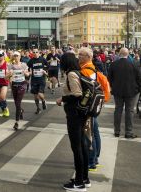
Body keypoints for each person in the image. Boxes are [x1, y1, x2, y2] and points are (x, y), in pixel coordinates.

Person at [56, 52, 90, 191]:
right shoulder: (79, 72)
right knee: (82, 145)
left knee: (77, 147)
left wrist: (62, 99)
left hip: (75, 114)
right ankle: (84, 178)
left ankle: (79, 182)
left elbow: (77, 94)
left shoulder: (71, 74)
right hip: (80, 114)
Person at [78, 47, 111, 172]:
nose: (79, 56)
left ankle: (92, 161)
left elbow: (89, 90)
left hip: (89, 106)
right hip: (94, 105)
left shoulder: (87, 71)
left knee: (89, 134)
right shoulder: (90, 68)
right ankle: (95, 158)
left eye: (81, 54)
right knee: (94, 131)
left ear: (88, 57)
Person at [108, 47, 141, 138]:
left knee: (118, 110)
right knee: (130, 111)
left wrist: (113, 86)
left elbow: (109, 78)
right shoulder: (134, 64)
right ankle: (129, 132)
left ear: (119, 54)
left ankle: (117, 131)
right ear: (128, 55)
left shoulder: (114, 64)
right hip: (131, 91)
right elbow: (139, 79)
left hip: (117, 91)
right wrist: (139, 89)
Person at [9, 52, 30, 130]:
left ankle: (16, 122)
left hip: (22, 84)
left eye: (17, 55)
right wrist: (9, 74)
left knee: (18, 103)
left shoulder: (24, 65)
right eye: (14, 56)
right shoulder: (11, 65)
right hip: (14, 84)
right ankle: (20, 110)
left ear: (20, 56)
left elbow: (28, 74)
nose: (16, 57)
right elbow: (7, 77)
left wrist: (26, 73)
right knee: (16, 102)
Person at [27, 49, 48, 114]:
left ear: (39, 53)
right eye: (34, 52)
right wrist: (29, 73)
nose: (35, 53)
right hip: (34, 80)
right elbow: (28, 68)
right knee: (35, 97)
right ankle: (38, 108)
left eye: (36, 52)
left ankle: (43, 101)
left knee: (40, 94)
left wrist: (45, 71)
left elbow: (48, 66)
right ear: (32, 54)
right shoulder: (31, 61)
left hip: (41, 79)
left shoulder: (43, 59)